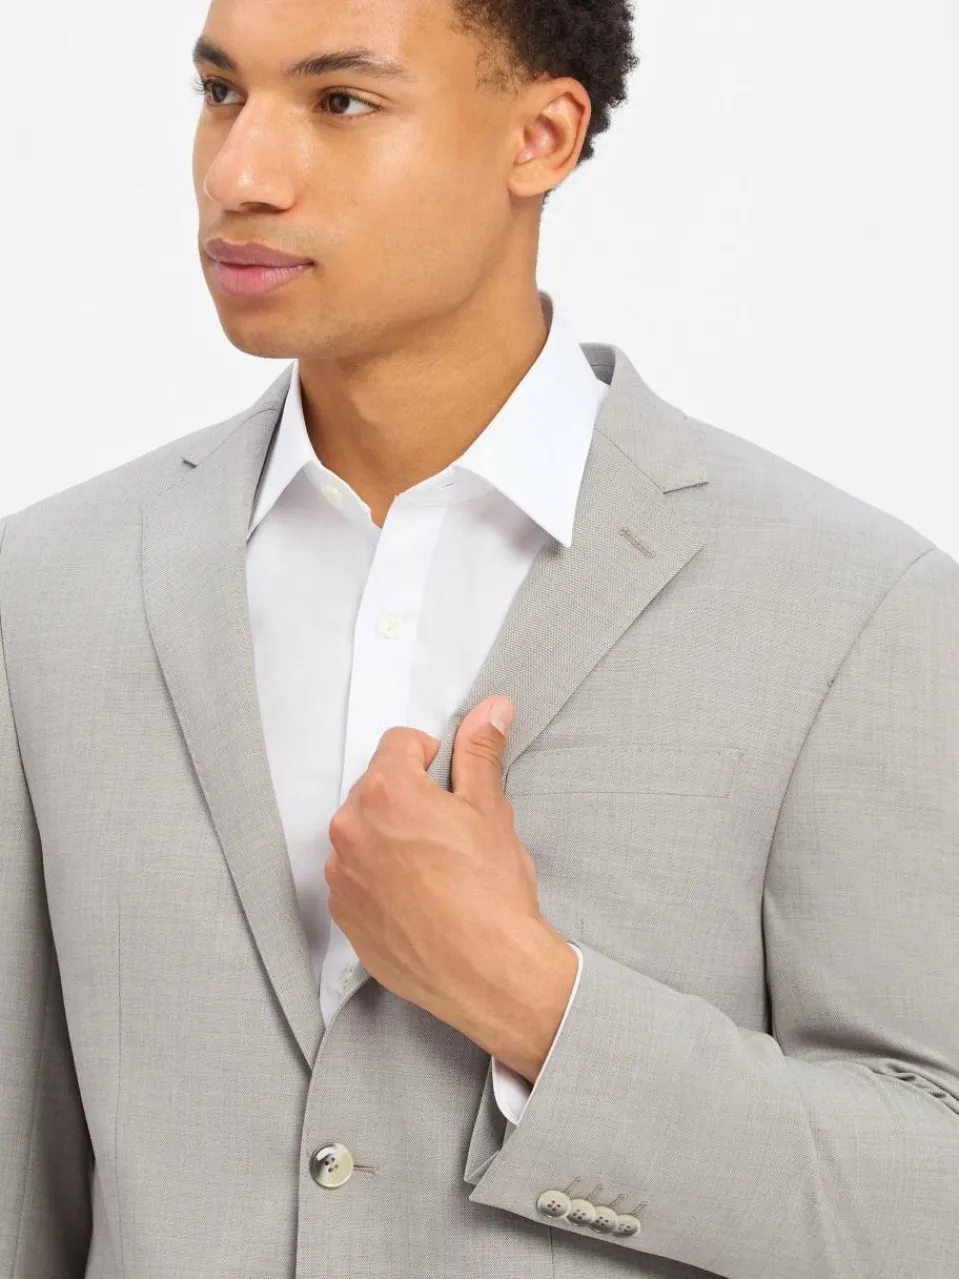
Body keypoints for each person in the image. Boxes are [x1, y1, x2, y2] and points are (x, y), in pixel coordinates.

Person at [2, 0, 957, 1275]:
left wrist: (536, 1004)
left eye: (341, 102)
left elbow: (932, 1200)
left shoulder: (850, 605)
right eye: (221, 93)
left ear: (539, 136)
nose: (240, 174)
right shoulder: (50, 591)